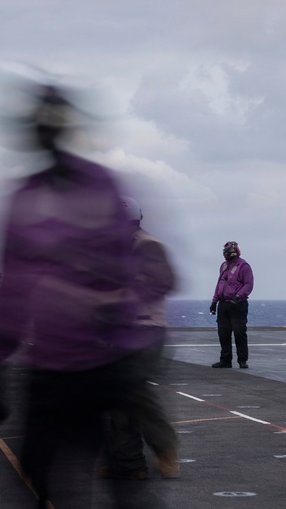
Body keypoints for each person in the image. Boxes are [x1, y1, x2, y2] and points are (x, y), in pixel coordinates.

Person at [0, 84, 164, 508]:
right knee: (106, 477)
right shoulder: (94, 186)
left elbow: (15, 289)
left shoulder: (34, 196)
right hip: (88, 359)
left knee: (47, 475)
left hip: (74, 361)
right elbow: (16, 287)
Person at [101, 197, 180, 480]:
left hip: (146, 331)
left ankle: (165, 445)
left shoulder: (147, 245)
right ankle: (129, 464)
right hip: (120, 333)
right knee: (117, 398)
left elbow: (165, 281)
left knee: (133, 389)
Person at [210, 241, 253, 369]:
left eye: (226, 253)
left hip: (238, 304)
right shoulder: (223, 266)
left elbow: (248, 285)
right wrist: (214, 301)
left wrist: (238, 297)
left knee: (239, 332)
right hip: (223, 304)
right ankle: (225, 360)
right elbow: (220, 285)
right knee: (223, 333)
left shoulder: (244, 266)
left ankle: (242, 360)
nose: (225, 255)